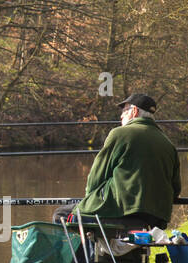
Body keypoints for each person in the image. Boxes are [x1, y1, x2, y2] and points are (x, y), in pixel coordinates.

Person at [71, 92, 181, 229]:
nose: (121, 116)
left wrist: (88, 201)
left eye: (124, 111)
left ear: (134, 111)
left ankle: (93, 250)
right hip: (156, 218)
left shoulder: (119, 134)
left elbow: (96, 177)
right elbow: (176, 189)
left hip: (119, 211)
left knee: (64, 215)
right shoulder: (168, 143)